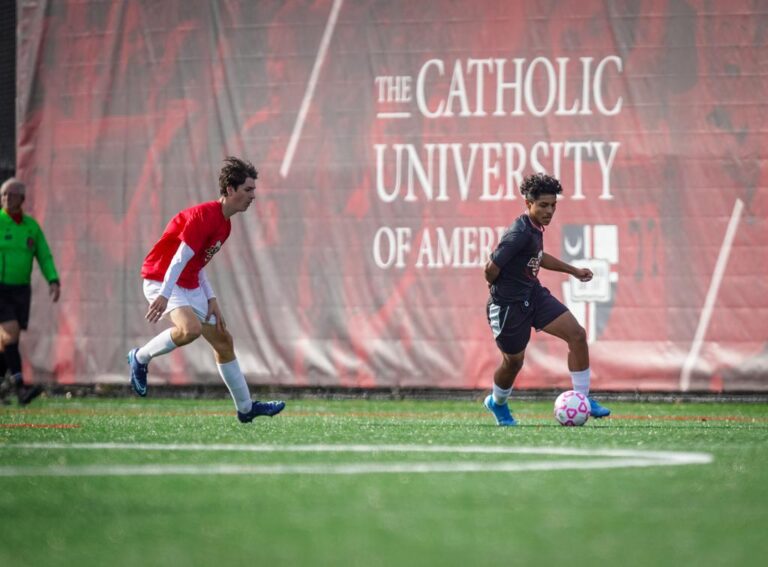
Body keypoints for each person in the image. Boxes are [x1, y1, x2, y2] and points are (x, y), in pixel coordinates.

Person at [127, 156, 285, 423]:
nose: (253, 196)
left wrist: (211, 298)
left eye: (254, 190)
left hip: (186, 283)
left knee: (223, 341)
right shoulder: (204, 216)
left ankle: (246, 409)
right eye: (248, 190)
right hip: (161, 278)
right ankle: (140, 358)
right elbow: (178, 259)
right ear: (230, 190)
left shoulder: (225, 225)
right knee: (190, 330)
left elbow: (197, 263)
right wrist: (165, 294)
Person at [483, 172, 610, 426]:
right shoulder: (518, 233)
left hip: (534, 295)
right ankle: (497, 403)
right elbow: (490, 269)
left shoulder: (535, 229)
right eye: (543, 205)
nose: (549, 210)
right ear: (528, 203)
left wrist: (573, 271)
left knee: (577, 334)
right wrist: (502, 292)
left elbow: (538, 257)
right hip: (509, 308)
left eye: (553, 205)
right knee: (514, 362)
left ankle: (582, 399)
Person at [0, 177, 60, 405]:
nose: (6, 199)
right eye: (3, 195)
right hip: (0, 289)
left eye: (11, 195)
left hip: (21, 291)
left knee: (5, 341)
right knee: (11, 333)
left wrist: (53, 279)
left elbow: (44, 256)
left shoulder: (31, 227)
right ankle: (20, 388)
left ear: (22, 199)